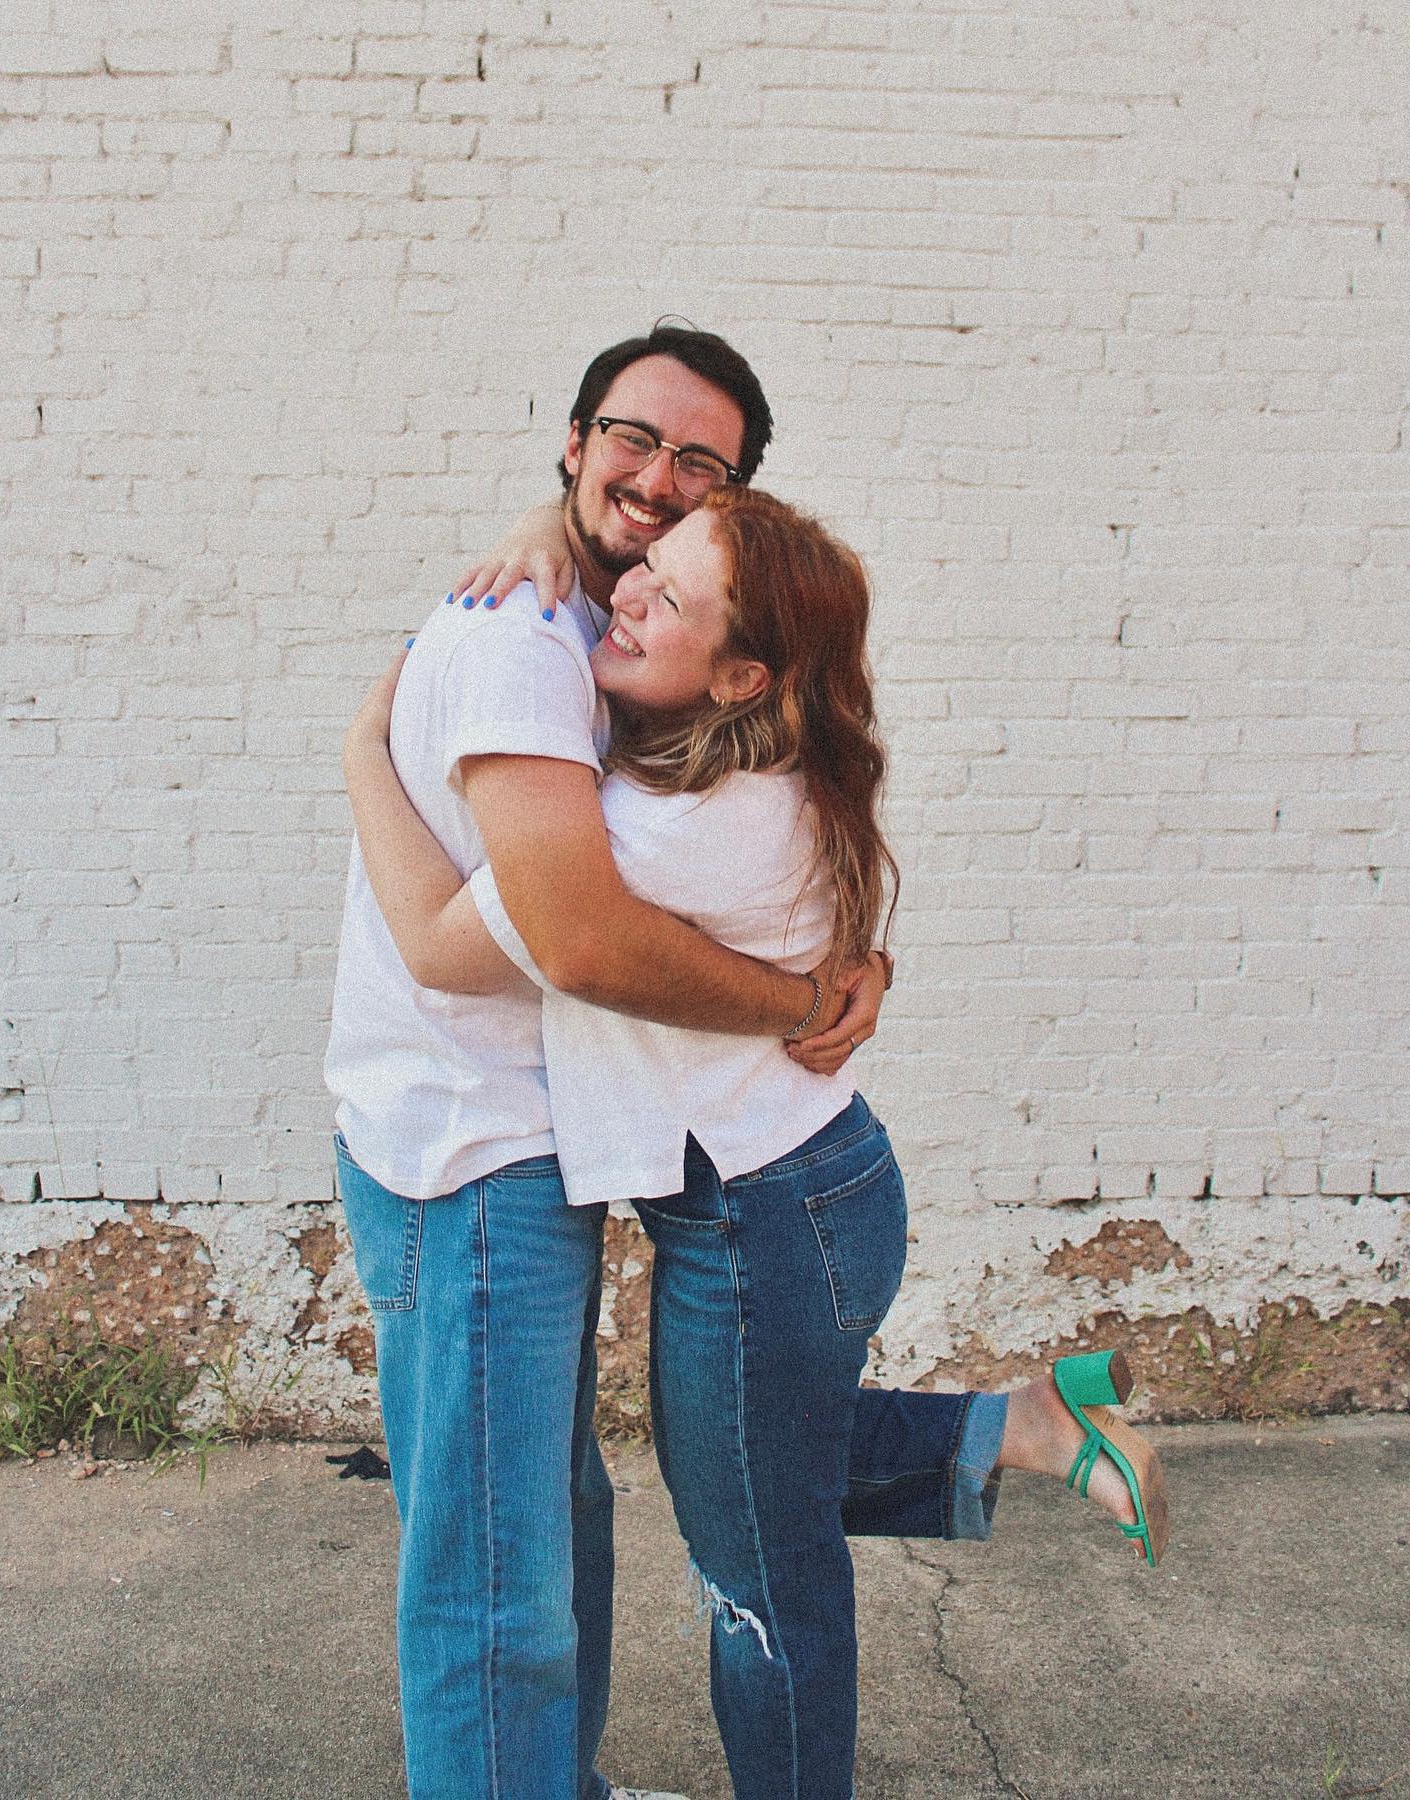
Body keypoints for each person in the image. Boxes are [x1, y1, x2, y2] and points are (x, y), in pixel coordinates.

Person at [341, 479, 1169, 1796]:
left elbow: (445, 946)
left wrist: (363, 750)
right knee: (752, 1483)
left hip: (767, 1223)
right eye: (642, 564)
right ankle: (1023, 1425)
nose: (626, 593)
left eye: (669, 596)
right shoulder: (734, 755)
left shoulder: (661, 833)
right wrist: (549, 532)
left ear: (740, 676)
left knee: (760, 1574)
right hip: (795, 1201)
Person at [324, 326, 891, 1800]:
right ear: (573, 441)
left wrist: (846, 964)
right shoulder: (539, 638)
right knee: (501, 1580)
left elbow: (745, 864)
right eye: (631, 438)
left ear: (729, 503)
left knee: (558, 1528)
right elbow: (557, 940)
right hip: (472, 1146)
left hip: (566, 1150)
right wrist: (799, 994)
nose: (655, 481)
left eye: (700, 464)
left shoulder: (612, 631)